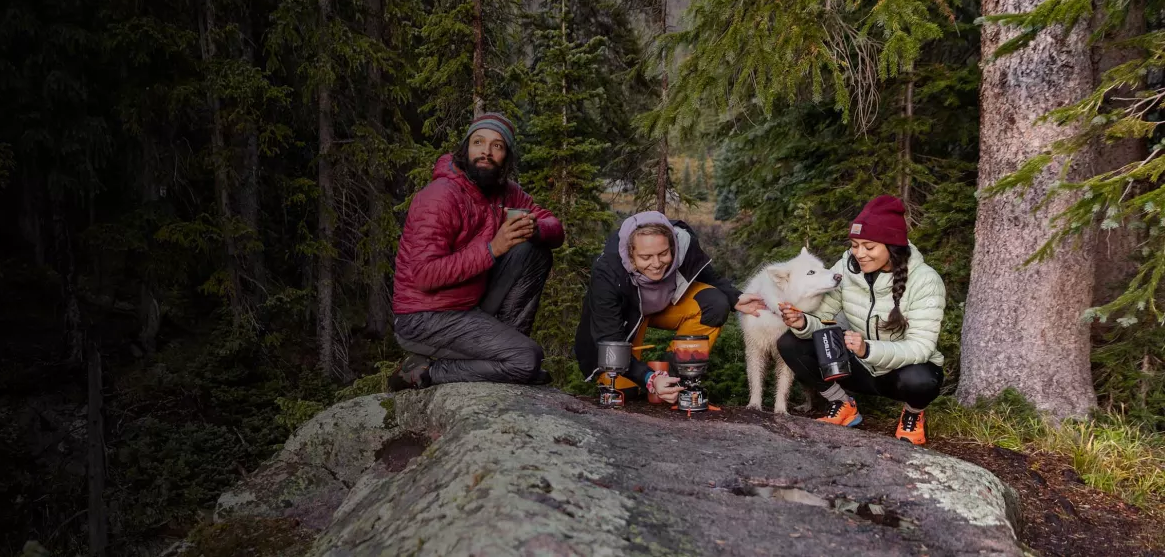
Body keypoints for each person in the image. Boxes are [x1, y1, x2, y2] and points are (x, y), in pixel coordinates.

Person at [387, 113, 564, 390]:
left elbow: (554, 227)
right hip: (423, 317)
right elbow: (423, 275)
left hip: (469, 306)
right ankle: (425, 372)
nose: (486, 152)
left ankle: (506, 359)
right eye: (478, 142)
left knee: (534, 250)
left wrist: (533, 228)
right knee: (527, 359)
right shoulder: (441, 196)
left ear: (507, 156)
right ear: (465, 149)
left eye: (497, 146)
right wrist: (493, 249)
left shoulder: (505, 192)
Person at [777, 194, 946, 445]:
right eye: (855, 245)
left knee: (921, 379)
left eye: (869, 246)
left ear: (892, 246)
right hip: (859, 368)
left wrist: (868, 348)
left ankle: (912, 415)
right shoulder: (846, 267)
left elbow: (921, 347)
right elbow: (823, 318)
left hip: (897, 374)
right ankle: (843, 404)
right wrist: (802, 322)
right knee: (791, 343)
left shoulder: (925, 280)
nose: (859, 254)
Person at [574, 211, 767, 403]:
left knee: (714, 304)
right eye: (646, 257)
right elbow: (609, 337)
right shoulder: (608, 271)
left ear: (672, 246)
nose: (656, 264)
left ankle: (674, 377)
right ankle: (654, 380)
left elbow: (704, 275)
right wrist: (649, 378)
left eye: (664, 253)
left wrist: (735, 298)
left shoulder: (682, 242)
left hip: (666, 304)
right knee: (624, 393)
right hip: (629, 316)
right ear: (630, 254)